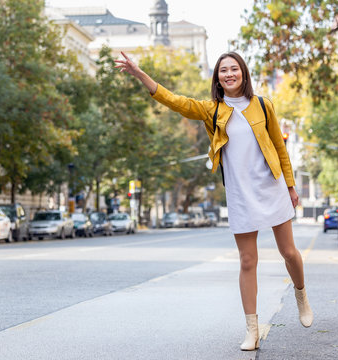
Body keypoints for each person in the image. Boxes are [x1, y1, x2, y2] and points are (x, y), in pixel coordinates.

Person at [115, 51, 313, 351]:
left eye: (234, 69)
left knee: (289, 252)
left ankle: (301, 294)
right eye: (224, 70)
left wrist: (290, 185)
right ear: (217, 78)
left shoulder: (263, 105)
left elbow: (279, 148)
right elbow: (174, 101)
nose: (229, 74)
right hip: (240, 194)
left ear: (243, 73)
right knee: (248, 261)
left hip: (271, 187)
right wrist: (139, 73)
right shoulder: (212, 110)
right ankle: (252, 330)